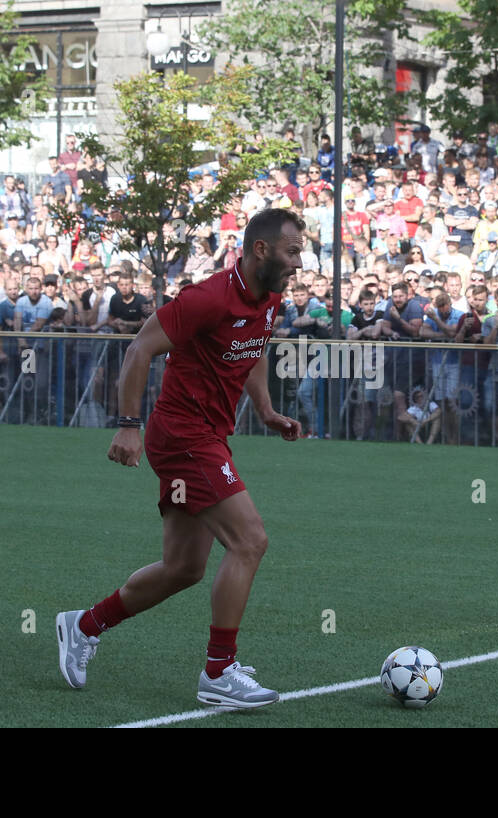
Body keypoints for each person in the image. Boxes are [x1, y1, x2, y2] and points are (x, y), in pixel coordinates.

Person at [55, 208, 304, 708]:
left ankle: (83, 625)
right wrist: (127, 425)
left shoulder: (270, 296)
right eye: (292, 250)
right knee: (250, 541)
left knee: (184, 568)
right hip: (184, 437)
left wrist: (266, 409)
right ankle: (219, 671)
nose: (299, 261)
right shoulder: (208, 297)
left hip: (207, 436)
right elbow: (139, 350)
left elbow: (254, 350)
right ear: (261, 249)